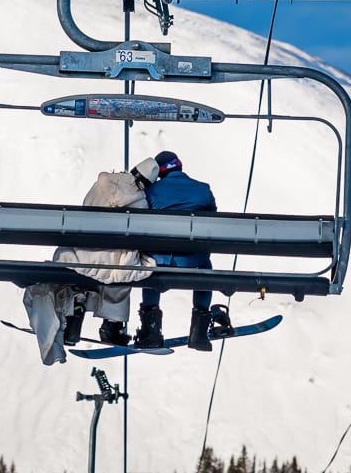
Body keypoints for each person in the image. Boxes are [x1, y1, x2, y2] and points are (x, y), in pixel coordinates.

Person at [21, 158, 159, 365]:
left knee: (88, 276)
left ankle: (75, 314)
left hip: (81, 254)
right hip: (110, 261)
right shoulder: (141, 200)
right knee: (121, 278)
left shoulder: (101, 184)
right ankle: (112, 326)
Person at [138, 150, 231, 351]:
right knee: (206, 268)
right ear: (180, 166)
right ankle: (198, 331)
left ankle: (150, 331)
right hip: (193, 262)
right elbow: (213, 222)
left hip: (162, 262)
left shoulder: (152, 191)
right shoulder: (203, 189)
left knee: (150, 268)